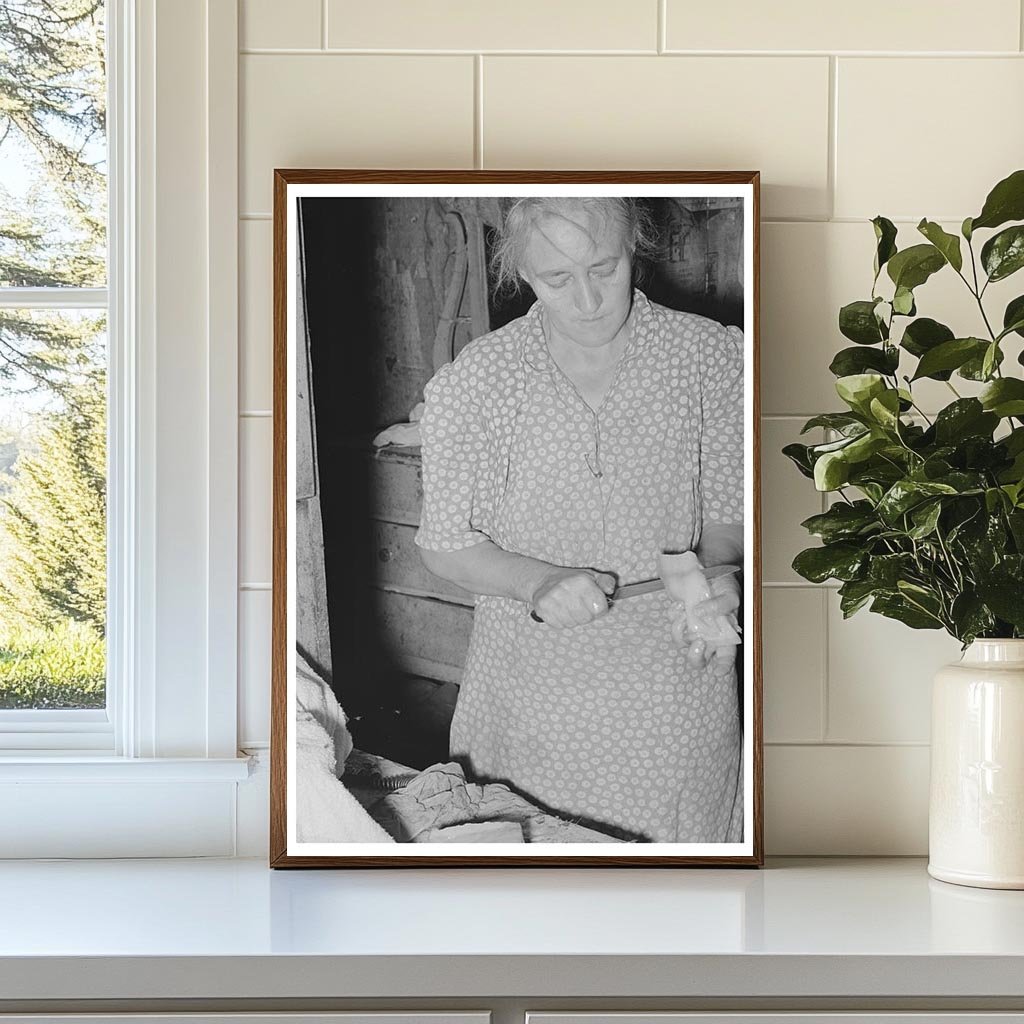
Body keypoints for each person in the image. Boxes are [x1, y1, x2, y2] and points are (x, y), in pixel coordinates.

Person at [414, 197, 744, 843]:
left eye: (604, 268)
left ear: (633, 250)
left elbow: (728, 513)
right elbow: (444, 545)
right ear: (524, 275)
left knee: (677, 879)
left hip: (674, 692)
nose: (588, 300)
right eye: (557, 278)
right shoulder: (478, 380)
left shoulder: (711, 357)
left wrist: (715, 577)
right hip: (531, 695)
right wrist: (536, 581)